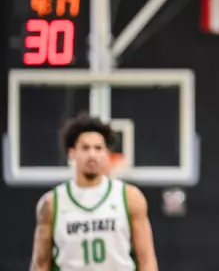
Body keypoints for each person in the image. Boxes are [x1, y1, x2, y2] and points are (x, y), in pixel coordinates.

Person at [30, 114, 159, 270]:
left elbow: (147, 260)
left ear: (106, 154)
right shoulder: (51, 203)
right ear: (72, 153)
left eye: (98, 148)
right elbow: (40, 263)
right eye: (85, 148)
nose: (92, 155)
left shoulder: (130, 197)